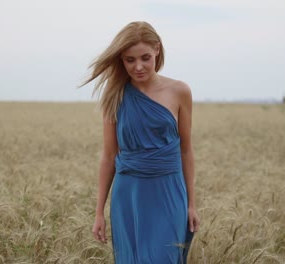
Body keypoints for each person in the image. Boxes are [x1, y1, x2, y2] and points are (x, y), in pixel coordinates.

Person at [80, 21, 200, 263]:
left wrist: (192, 204)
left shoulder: (179, 91)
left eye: (145, 57)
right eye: (129, 60)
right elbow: (109, 156)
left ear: (157, 49)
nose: (138, 66)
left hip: (169, 192)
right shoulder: (115, 95)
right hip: (128, 195)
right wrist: (99, 213)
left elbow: (186, 151)